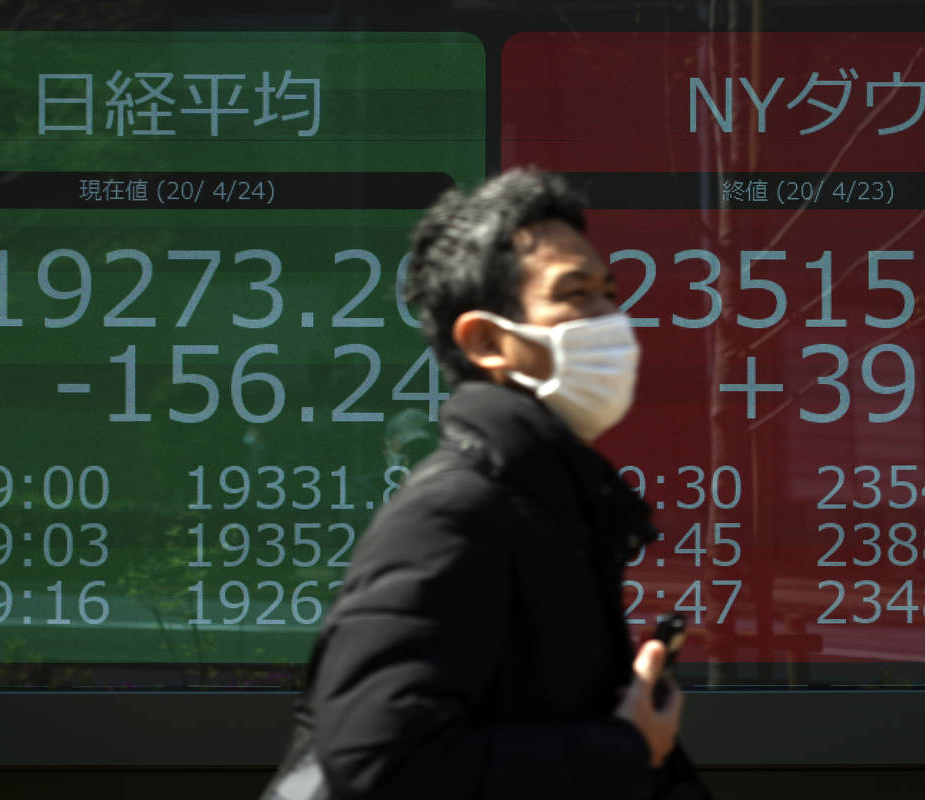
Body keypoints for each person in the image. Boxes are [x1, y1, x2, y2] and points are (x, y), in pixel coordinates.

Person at [265, 168, 708, 799]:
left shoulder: (552, 506)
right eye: (575, 294)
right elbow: (380, 763)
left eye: (609, 291)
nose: (611, 318)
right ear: (487, 341)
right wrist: (622, 749)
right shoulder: (454, 513)